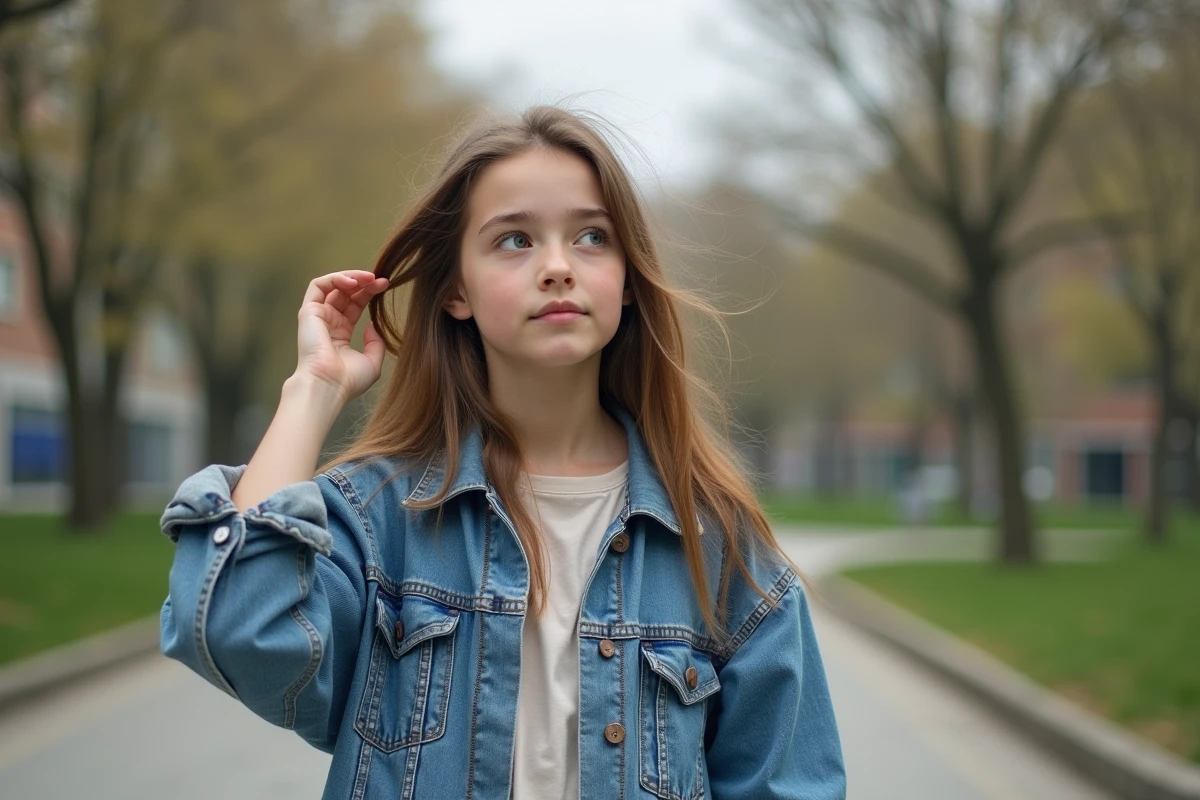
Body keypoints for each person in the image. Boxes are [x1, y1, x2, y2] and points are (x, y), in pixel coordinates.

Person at [159, 105, 845, 800]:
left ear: (628, 277)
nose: (556, 267)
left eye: (591, 237)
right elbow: (235, 627)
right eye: (515, 240)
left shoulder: (718, 544)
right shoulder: (377, 522)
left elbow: (789, 786)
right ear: (456, 289)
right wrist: (313, 388)